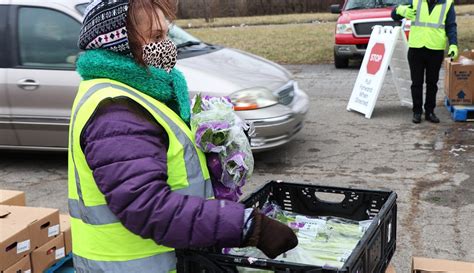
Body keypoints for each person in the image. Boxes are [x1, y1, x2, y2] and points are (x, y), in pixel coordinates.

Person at [68, 0, 298, 272]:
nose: (167, 45)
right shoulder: (116, 111)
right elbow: (147, 206)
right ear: (119, 44)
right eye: (155, 37)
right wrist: (248, 226)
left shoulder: (141, 92)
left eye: (167, 34)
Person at [392, 0, 458, 124]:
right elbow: (394, 14)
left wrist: (453, 44)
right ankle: (417, 111)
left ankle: (430, 112)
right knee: (416, 82)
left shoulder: (447, 3)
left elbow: (451, 26)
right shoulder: (415, 1)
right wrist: (402, 10)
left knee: (432, 83)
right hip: (416, 48)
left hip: (435, 49)